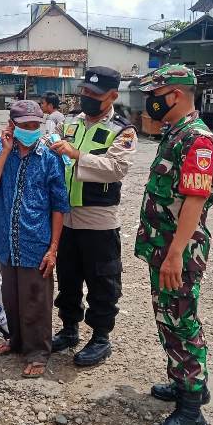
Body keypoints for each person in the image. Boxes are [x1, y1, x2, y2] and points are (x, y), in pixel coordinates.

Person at [135, 64, 213, 425]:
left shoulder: (197, 140)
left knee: (181, 324)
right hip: (165, 247)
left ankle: (192, 413)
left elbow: (194, 200)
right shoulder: (177, 134)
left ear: (174, 95)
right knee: (168, 319)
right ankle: (183, 383)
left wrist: (174, 255)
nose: (150, 102)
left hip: (178, 253)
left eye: (154, 95)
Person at [49, 67, 136, 367]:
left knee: (102, 280)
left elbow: (116, 168)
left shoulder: (123, 130)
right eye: (85, 92)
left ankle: (101, 337)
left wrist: (76, 156)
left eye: (95, 95)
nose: (87, 98)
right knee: (68, 277)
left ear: (113, 96)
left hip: (98, 219)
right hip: (66, 216)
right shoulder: (71, 123)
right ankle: (69, 329)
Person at [0, 101, 70, 378]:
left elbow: (59, 206)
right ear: (12, 126)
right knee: (11, 295)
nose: (31, 130)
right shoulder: (0, 152)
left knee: (36, 298)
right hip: (6, 239)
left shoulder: (49, 158)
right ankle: (17, 341)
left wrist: (53, 248)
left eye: (35, 126)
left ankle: (39, 352)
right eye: (24, 126)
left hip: (35, 239)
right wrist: (5, 151)